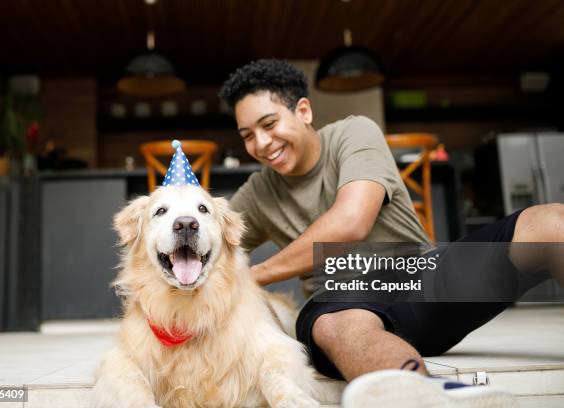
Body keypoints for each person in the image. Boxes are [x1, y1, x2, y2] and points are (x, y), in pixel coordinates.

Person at [219, 59, 564, 407]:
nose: (261, 143)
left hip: (422, 279)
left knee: (550, 222)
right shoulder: (259, 190)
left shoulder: (354, 133)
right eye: (247, 135)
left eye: (269, 124)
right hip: (343, 303)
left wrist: (252, 276)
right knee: (332, 325)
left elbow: (352, 221)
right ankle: (436, 397)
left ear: (304, 111)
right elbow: (211, 238)